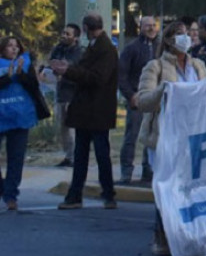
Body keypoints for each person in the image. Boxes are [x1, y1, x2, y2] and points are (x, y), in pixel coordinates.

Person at [135, 21, 206, 255]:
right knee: (167, 187)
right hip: (164, 136)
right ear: (168, 40)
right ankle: (162, 236)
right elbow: (143, 101)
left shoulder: (198, 66)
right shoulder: (155, 66)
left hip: (193, 136)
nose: (185, 38)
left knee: (192, 188)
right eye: (179, 34)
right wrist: (163, 91)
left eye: (188, 34)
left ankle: (189, 235)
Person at [53, 13, 119, 210]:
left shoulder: (105, 49)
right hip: (87, 111)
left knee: (100, 154)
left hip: (96, 110)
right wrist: (69, 69)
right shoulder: (96, 47)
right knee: (83, 155)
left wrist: (69, 71)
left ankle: (107, 194)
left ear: (86, 29)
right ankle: (77, 194)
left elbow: (97, 78)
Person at [1, 37, 43, 211]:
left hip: (20, 118)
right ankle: (4, 188)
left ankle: (11, 196)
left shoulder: (25, 64)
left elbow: (34, 86)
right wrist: (7, 78)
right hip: (2, 116)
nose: (13, 49)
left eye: (16, 46)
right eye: (10, 46)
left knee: (16, 159)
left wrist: (21, 74)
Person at [117, 15, 158, 185]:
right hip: (137, 99)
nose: (151, 28)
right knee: (131, 136)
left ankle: (148, 171)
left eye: (153, 25)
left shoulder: (160, 47)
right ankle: (126, 172)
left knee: (152, 136)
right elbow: (121, 75)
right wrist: (130, 95)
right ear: (140, 27)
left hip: (156, 100)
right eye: (147, 25)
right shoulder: (132, 48)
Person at [44, 23, 83, 167]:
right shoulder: (58, 49)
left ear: (75, 37)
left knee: (72, 127)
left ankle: (75, 156)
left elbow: (75, 69)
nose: (64, 36)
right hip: (60, 92)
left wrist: (63, 69)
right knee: (63, 127)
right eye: (63, 33)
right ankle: (68, 155)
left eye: (68, 34)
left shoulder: (78, 52)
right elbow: (51, 64)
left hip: (73, 94)